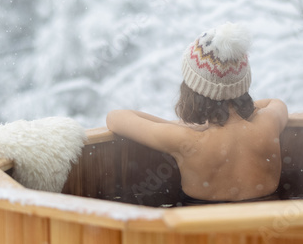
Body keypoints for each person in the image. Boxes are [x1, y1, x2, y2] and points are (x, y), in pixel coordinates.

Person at [106, 22, 288, 204]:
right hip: (262, 229)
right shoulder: (269, 123)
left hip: (203, 230)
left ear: (192, 91)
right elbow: (275, 102)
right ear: (243, 85)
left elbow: (115, 118)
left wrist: (185, 127)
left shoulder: (187, 140)